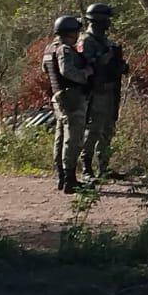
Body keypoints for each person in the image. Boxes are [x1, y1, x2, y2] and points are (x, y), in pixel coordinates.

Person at [78, 2, 129, 181]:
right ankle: (86, 168)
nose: (109, 22)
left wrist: (120, 66)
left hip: (110, 91)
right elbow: (86, 64)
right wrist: (103, 59)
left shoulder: (108, 42)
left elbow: (113, 65)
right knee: (94, 130)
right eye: (106, 18)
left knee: (108, 129)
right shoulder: (86, 41)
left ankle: (104, 168)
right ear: (98, 19)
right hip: (96, 92)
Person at [41, 15, 91, 194]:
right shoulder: (65, 50)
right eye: (76, 31)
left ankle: (62, 177)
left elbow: (45, 69)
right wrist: (85, 73)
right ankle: (70, 180)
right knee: (73, 137)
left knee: (60, 137)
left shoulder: (49, 49)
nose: (78, 34)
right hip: (71, 96)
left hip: (58, 96)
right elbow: (67, 71)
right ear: (70, 32)